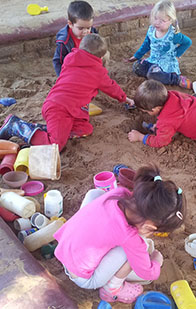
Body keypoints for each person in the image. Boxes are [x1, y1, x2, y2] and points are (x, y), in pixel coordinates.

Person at [53, 164, 186, 304]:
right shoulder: (130, 236)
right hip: (84, 278)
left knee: (95, 194)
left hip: (64, 247)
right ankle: (112, 289)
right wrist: (157, 261)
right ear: (148, 226)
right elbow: (146, 273)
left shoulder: (118, 193)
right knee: (130, 250)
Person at [0, 34, 134, 152]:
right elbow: (112, 87)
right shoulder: (98, 72)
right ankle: (16, 126)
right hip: (59, 109)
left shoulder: (70, 58)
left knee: (85, 129)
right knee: (55, 145)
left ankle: (42, 130)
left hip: (65, 107)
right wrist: (125, 99)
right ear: (102, 56)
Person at [128, 0, 192, 89]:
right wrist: (137, 56)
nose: (157, 22)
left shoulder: (173, 35)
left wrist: (176, 55)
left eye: (162, 20)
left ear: (170, 20)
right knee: (137, 66)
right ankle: (154, 72)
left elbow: (187, 42)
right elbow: (146, 44)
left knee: (152, 75)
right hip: (153, 60)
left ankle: (177, 79)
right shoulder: (151, 30)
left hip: (166, 63)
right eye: (155, 18)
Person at [128, 79, 196, 148]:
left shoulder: (167, 120)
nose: (146, 113)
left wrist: (141, 137)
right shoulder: (174, 95)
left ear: (155, 109)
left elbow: (160, 142)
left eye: (146, 111)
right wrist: (159, 126)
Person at [53, 0, 97, 77]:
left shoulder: (93, 33)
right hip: (72, 70)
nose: (85, 31)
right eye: (81, 28)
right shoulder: (64, 42)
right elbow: (58, 61)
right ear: (70, 24)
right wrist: (62, 78)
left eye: (88, 27)